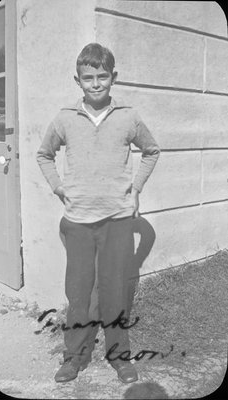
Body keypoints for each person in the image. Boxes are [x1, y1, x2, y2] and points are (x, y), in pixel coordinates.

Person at [37, 43, 160, 384]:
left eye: (102, 77)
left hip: (118, 221)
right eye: (88, 78)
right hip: (77, 222)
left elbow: (151, 151)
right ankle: (74, 357)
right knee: (78, 294)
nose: (95, 84)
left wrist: (136, 189)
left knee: (113, 292)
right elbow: (44, 154)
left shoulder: (129, 117)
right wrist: (57, 186)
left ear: (113, 78)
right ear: (77, 80)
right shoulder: (64, 118)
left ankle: (119, 356)